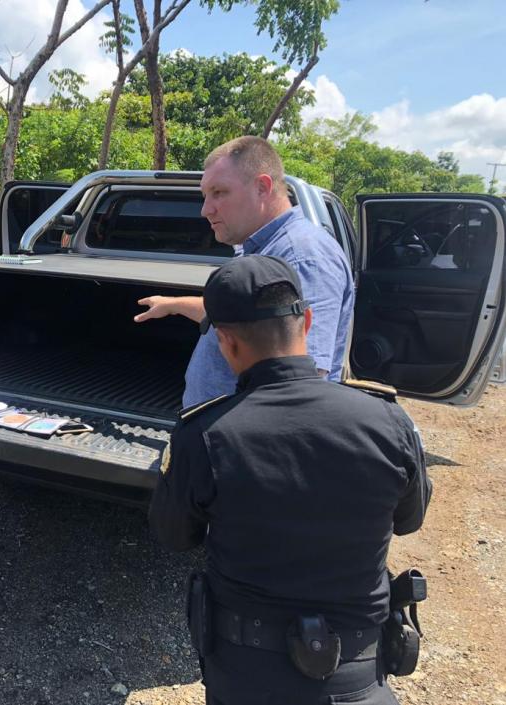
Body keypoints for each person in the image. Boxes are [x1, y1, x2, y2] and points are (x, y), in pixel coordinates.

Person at [149, 255, 432, 705]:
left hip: (246, 678)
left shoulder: (205, 434)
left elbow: (174, 535)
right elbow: (409, 520)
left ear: (225, 342)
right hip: (359, 677)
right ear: (308, 322)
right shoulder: (387, 420)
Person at [134, 135, 354, 408]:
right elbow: (242, 318)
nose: (205, 210)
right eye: (205, 195)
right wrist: (173, 304)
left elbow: (301, 384)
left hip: (243, 433)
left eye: (219, 192)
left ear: (262, 187)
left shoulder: (303, 258)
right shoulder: (258, 248)